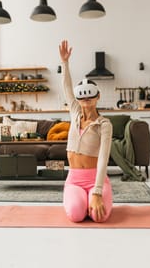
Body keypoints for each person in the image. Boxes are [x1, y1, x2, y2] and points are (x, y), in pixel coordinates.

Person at [59, 39, 113, 223]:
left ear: (98, 97)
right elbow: (67, 88)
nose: (86, 101)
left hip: (95, 178)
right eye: (83, 98)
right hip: (75, 178)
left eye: (91, 97)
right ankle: (79, 200)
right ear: (78, 99)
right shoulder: (74, 112)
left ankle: (94, 197)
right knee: (76, 215)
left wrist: (97, 192)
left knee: (100, 217)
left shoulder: (104, 124)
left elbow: (104, 159)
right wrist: (65, 63)